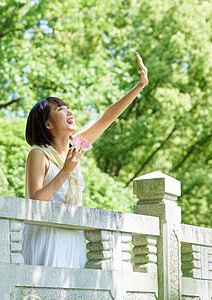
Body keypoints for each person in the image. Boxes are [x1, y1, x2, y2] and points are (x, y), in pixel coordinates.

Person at [21, 52, 148, 268]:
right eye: (60, 109)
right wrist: (64, 172)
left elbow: (107, 118)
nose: (69, 111)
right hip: (47, 234)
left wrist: (139, 86)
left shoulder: (75, 147)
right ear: (48, 124)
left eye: (67, 106)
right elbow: (34, 201)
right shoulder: (38, 153)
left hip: (73, 233)